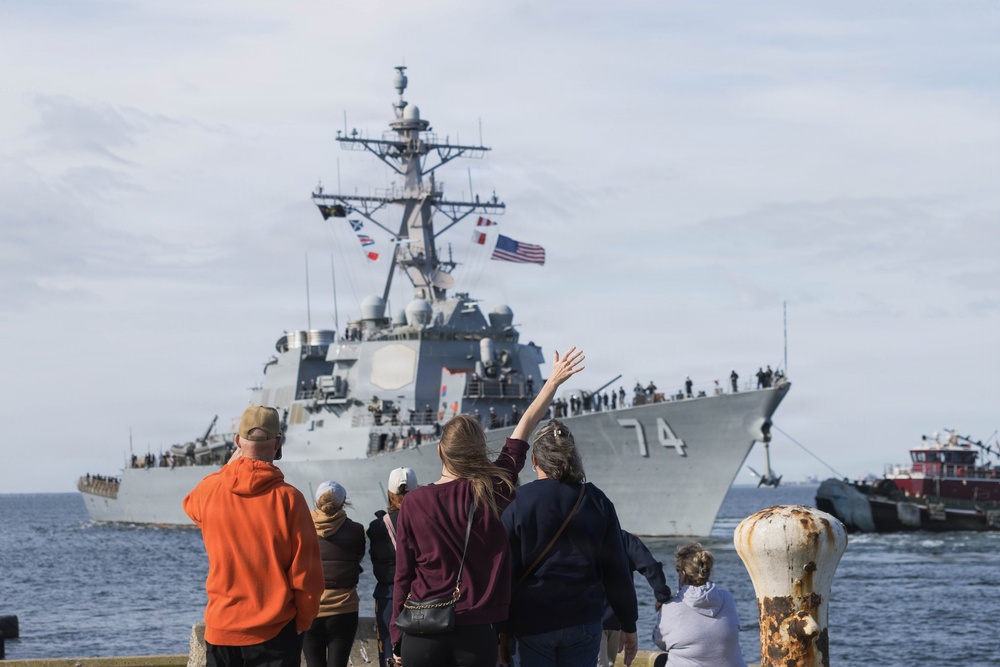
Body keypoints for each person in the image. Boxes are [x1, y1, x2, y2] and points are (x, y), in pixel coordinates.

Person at [391, 347, 586, 667]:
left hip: (421, 629)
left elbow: (403, 576)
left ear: (440, 452)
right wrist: (552, 383)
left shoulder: (412, 502)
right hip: (476, 631)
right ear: (479, 450)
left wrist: (396, 637)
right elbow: (522, 432)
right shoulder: (492, 489)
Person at [183, 406, 324, 667]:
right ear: (278, 443)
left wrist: (228, 468)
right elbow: (307, 574)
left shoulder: (210, 490)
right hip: (275, 634)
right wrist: (302, 623)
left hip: (221, 630)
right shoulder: (290, 499)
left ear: (237, 441)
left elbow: (190, 504)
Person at [502, 420, 639, 667]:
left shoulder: (517, 502)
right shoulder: (597, 500)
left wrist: (499, 628)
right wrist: (628, 623)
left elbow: (503, 573)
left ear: (534, 460)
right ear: (572, 456)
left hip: (531, 623)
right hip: (583, 621)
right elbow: (617, 571)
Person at [303, 481, 366, 667]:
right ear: (343, 502)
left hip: (310, 607)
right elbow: (358, 557)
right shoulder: (356, 531)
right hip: (344, 608)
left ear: (316, 503)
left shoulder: (301, 527)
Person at [653, 543, 746, 667]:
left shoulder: (671, 606)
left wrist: (664, 609)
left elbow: (660, 641)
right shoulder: (727, 598)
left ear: (683, 574)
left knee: (661, 660)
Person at [598, 531, 672, 667]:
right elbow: (650, 565)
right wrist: (662, 595)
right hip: (618, 619)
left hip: (591, 618)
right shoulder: (624, 538)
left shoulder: (584, 536)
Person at [368, 468, 418, 667]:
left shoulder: (376, 527)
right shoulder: (426, 522)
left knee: (389, 654)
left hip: (388, 595)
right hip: (419, 595)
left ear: (389, 493)